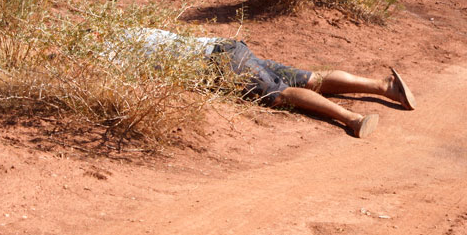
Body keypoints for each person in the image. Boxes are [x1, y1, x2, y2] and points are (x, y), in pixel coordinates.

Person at [125, 28, 415, 138]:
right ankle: (384, 86)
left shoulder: (111, 51)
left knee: (281, 93)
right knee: (309, 78)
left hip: (219, 63)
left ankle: (352, 118)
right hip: (225, 47)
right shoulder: (131, 31)